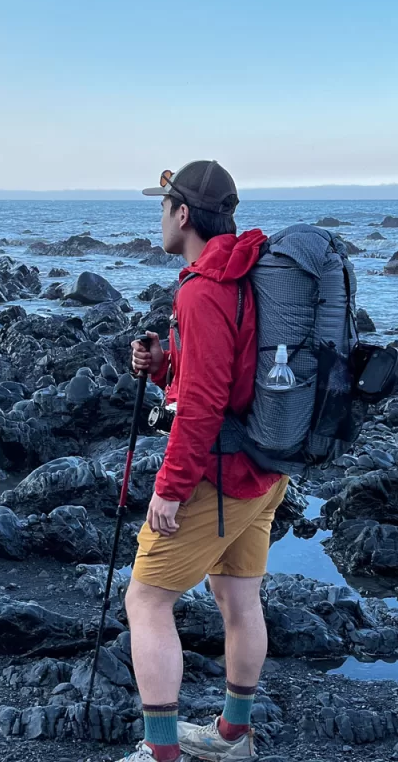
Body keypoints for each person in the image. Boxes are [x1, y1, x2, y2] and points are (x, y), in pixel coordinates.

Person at [117, 161, 290, 762]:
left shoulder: (203, 289)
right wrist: (164, 363)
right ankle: (233, 738)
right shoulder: (251, 272)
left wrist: (169, 488)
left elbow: (203, 405)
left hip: (220, 477)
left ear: (183, 214)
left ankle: (160, 753)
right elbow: (232, 373)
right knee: (238, 598)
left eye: (162, 207)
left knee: (145, 601)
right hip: (267, 470)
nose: (159, 218)